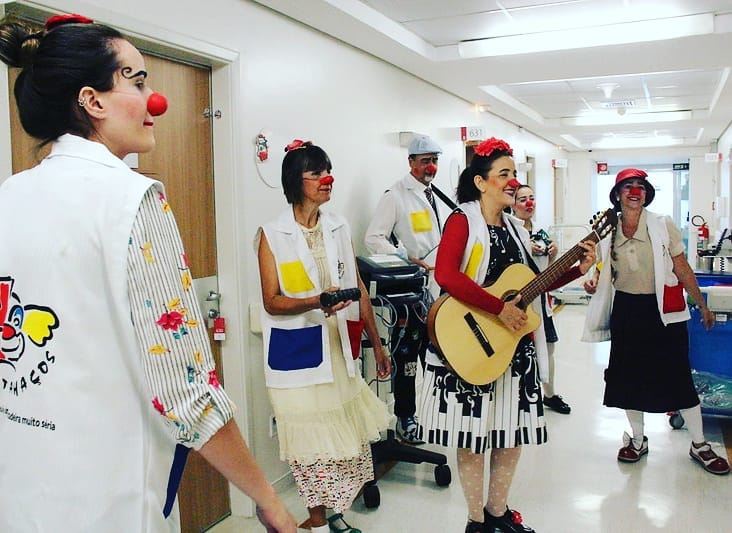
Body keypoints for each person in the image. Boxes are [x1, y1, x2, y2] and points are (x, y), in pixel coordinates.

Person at [0, 14, 296, 533]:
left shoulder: (10, 195)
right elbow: (186, 391)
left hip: (22, 485)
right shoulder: (130, 199)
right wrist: (267, 496)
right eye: (137, 81)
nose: (154, 100)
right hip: (108, 497)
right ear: (92, 101)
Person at [419, 137, 596, 533]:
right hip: (472, 344)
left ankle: (498, 512)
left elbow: (531, 285)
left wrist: (576, 270)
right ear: (481, 182)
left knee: (510, 433)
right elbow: (446, 275)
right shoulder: (463, 220)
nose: (513, 181)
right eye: (504, 174)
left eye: (515, 173)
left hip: (512, 348)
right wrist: (498, 308)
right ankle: (476, 521)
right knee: (473, 437)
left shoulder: (515, 227)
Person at [256, 140, 393, 533]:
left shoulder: (338, 226)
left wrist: (377, 345)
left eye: (328, 171)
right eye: (316, 173)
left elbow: (358, 287)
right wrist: (316, 301)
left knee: (343, 439)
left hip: (337, 349)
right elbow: (271, 301)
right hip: (296, 353)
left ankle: (333, 514)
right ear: (294, 181)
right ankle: (317, 522)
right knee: (308, 445)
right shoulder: (272, 234)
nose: (326, 179)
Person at [582, 168, 729, 475]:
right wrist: (594, 280)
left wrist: (701, 304)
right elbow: (604, 266)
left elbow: (682, 266)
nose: (635, 191)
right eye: (628, 187)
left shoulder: (663, 224)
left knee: (678, 378)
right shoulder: (608, 228)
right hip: (626, 310)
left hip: (664, 312)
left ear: (647, 194)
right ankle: (638, 440)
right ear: (617, 194)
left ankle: (699, 444)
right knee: (627, 378)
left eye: (640, 186)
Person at [364, 134, 446, 444]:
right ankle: (405, 419)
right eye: (425, 161)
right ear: (410, 162)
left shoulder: (434, 194)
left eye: (434, 161)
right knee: (408, 359)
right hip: (412, 292)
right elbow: (374, 238)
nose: (431, 166)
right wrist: (405, 258)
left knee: (437, 356)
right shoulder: (396, 196)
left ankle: (435, 415)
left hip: (440, 287)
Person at [512, 184, 571, 415]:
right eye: (522, 199)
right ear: (513, 204)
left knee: (548, 348)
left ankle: (549, 394)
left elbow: (549, 271)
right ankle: (519, 395)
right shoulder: (511, 231)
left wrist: (553, 253)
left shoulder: (542, 232)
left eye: (531, 198)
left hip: (542, 301)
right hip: (518, 301)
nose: (529, 203)